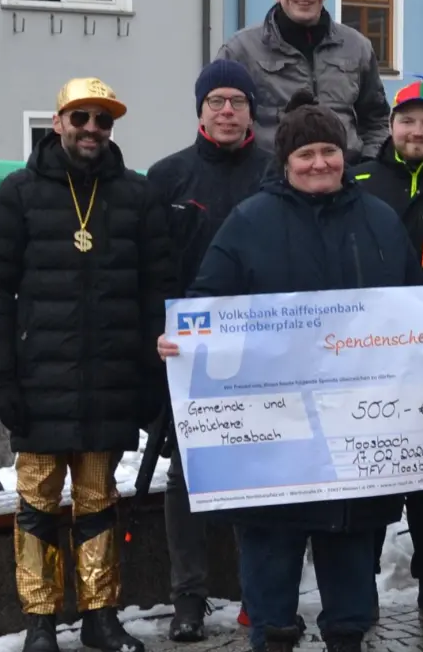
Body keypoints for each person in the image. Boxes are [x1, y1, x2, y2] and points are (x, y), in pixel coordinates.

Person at [161, 91, 423, 652]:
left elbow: (412, 297)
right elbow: (207, 300)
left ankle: (346, 637)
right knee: (271, 567)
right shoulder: (250, 222)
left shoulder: (378, 219)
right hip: (274, 444)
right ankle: (273, 635)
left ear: (344, 156)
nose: (319, 163)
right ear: (286, 161)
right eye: (306, 154)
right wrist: (182, 341)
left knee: (349, 574)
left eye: (329, 151)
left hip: (355, 442)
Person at [0, 79, 174, 652]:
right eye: (81, 118)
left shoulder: (137, 195)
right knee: (37, 507)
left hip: (108, 381)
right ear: (58, 123)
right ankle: (40, 623)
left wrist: (148, 378)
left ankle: (101, 616)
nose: (92, 129)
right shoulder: (18, 193)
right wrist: (1, 376)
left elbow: (155, 292)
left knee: (99, 503)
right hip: (38, 382)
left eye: (103, 120)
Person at [146, 61, 271, 642]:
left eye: (237, 101)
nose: (226, 111)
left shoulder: (275, 172)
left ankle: (258, 593)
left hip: (264, 347)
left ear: (251, 111)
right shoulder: (167, 176)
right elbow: (149, 268)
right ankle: (188, 597)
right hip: (188, 351)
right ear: (199, 109)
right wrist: (157, 333)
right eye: (216, 101)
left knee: (259, 469)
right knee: (186, 475)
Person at [347, 80, 423, 634]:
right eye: (408, 121)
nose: (417, 132)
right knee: (368, 477)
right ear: (392, 126)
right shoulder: (357, 182)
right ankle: (359, 589)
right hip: (366, 360)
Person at [217, 0, 390, 161]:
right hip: (270, 174)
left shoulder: (357, 46)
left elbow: (376, 120)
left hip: (344, 173)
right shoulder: (241, 49)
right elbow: (218, 118)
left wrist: (368, 166)